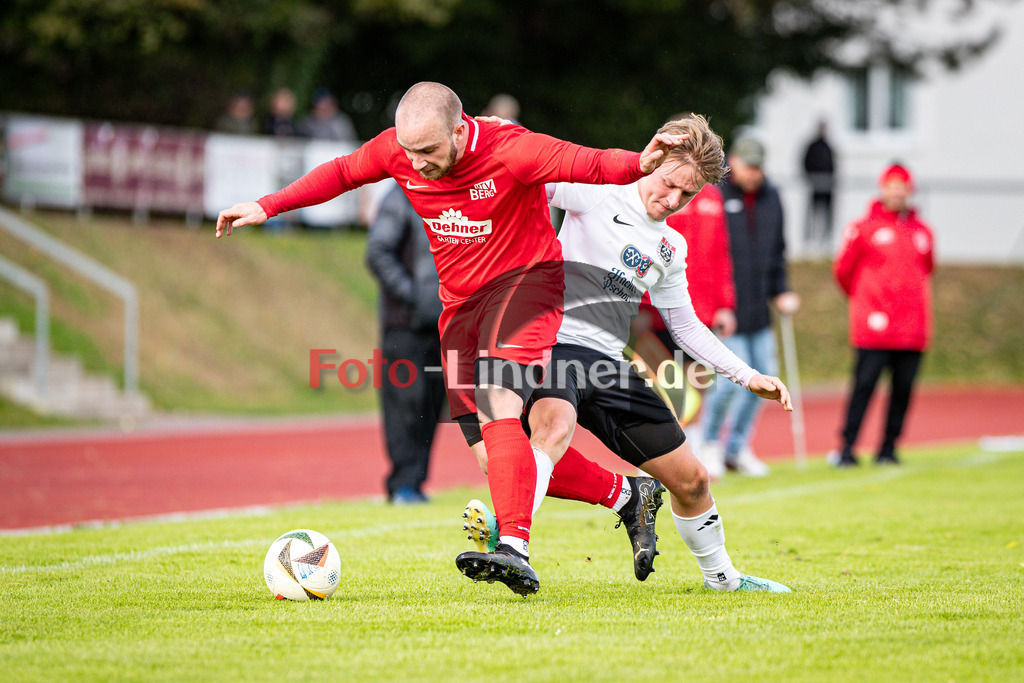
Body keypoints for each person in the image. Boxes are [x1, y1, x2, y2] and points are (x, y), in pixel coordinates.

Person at [216, 81, 687, 596]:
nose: (415, 163)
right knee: (494, 454)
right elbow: (343, 172)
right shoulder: (400, 149)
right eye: (409, 151)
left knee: (498, 400)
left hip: (528, 289)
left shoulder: (511, 149)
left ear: (460, 130)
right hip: (461, 309)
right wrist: (269, 205)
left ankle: (513, 549)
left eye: (428, 151)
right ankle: (627, 495)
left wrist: (640, 165)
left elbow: (589, 163)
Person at [460, 115, 793, 593]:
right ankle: (510, 544)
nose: (673, 201)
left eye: (688, 194)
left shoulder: (671, 246)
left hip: (609, 365)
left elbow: (684, 325)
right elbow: (528, 166)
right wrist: (491, 131)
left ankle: (724, 580)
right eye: (670, 185)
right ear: (653, 160)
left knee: (694, 480)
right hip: (553, 345)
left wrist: (747, 375)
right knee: (552, 427)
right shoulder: (597, 189)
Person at [701, 137, 800, 477]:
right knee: (728, 384)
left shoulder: (772, 198)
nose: (754, 173)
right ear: (735, 162)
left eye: (759, 167)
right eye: (749, 165)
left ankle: (736, 447)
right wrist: (715, 304)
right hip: (727, 313)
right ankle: (710, 444)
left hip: (760, 311)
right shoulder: (715, 195)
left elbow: (778, 252)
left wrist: (782, 291)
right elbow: (710, 257)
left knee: (767, 381)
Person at [831, 163, 934, 467]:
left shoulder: (923, 232)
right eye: (891, 186)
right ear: (883, 189)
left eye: (902, 187)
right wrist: (867, 303)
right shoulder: (864, 228)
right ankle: (847, 448)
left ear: (909, 191)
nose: (897, 192)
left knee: (903, 390)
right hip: (874, 327)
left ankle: (888, 448)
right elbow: (844, 272)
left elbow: (926, 269)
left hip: (912, 328)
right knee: (863, 386)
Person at [631, 180, 736, 439]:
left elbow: (721, 253)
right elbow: (643, 247)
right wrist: (640, 305)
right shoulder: (660, 190)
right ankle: (658, 447)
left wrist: (725, 305)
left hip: (702, 309)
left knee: (699, 379)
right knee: (661, 384)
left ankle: (693, 442)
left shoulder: (713, 197)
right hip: (659, 309)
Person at [365, 184, 445, 503]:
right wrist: (414, 296)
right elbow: (377, 252)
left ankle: (416, 481)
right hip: (404, 324)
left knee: (430, 404)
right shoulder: (400, 195)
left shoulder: (456, 195)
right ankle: (402, 484)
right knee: (404, 404)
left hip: (443, 322)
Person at [802, 121, 836, 257]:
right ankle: (810, 242)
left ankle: (825, 241)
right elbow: (805, 162)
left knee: (827, 215)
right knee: (812, 214)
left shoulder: (828, 146)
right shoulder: (813, 146)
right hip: (815, 185)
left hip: (827, 185)